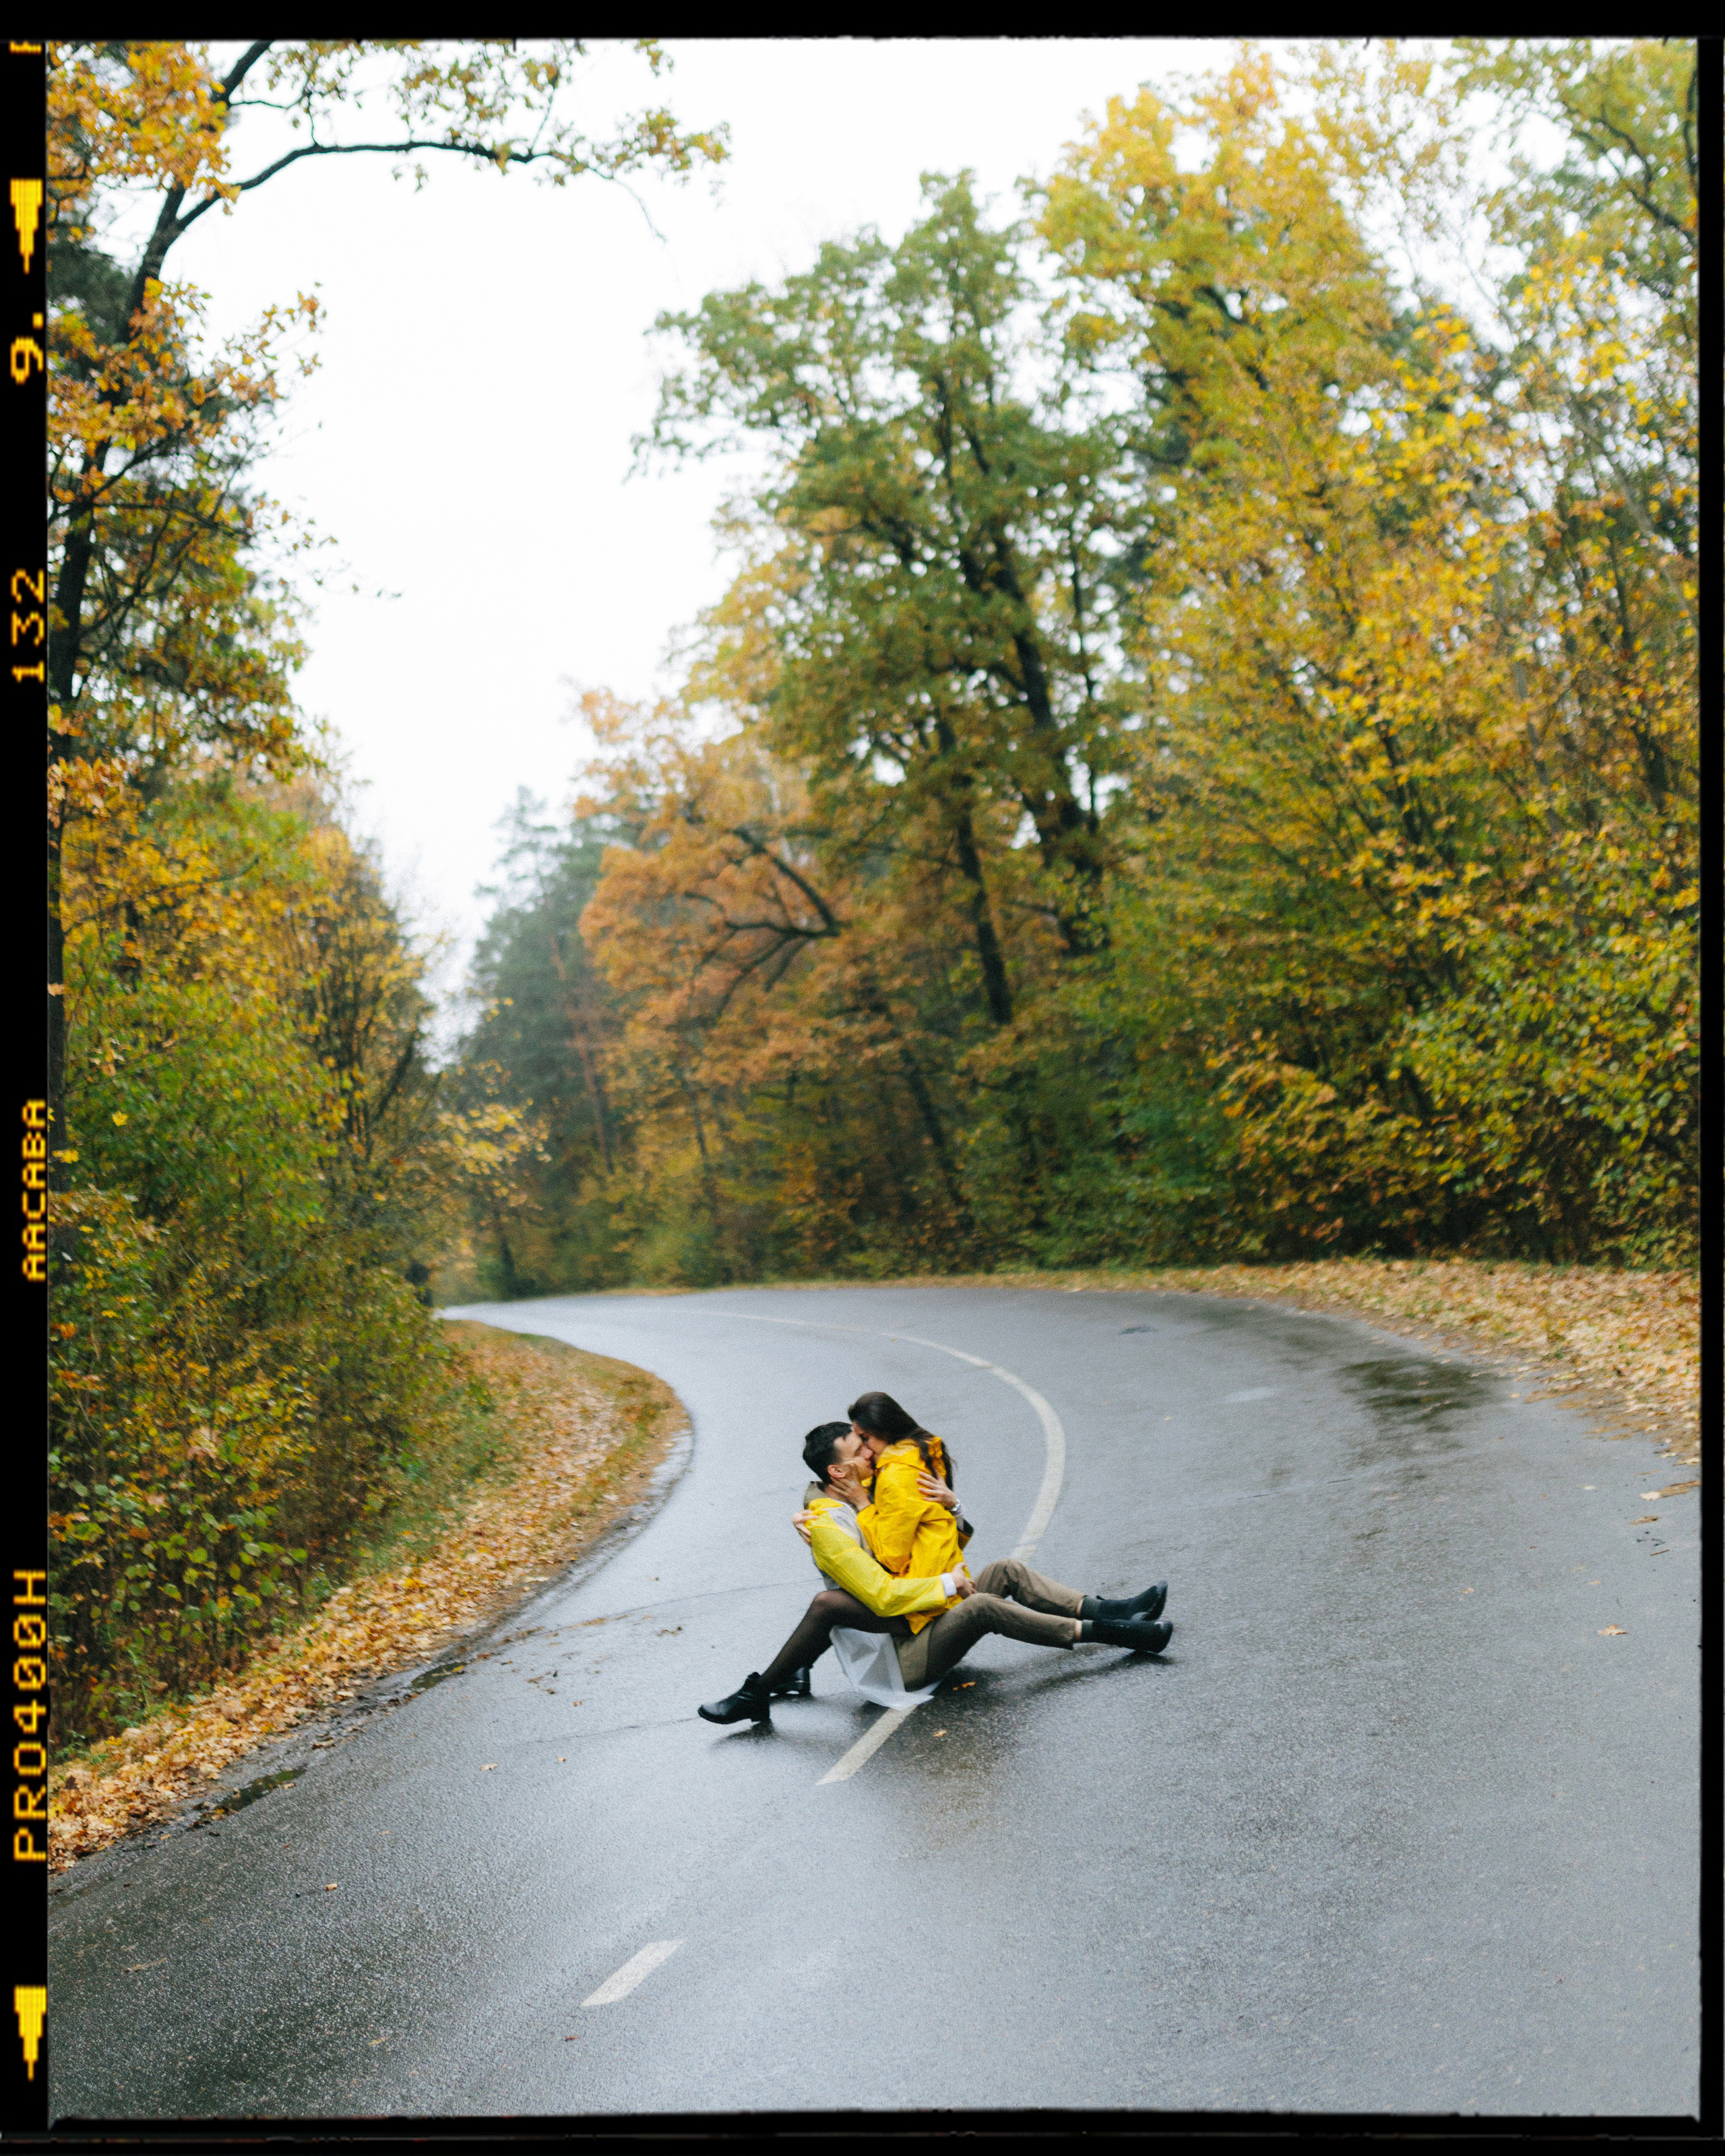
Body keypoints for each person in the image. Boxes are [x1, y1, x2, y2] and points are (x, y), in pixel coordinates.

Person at [697, 1416, 1171, 1725]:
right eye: (859, 1451)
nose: (871, 1453)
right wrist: (950, 1584)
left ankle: (1121, 1609)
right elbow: (882, 1594)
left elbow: (929, 1552)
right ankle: (1116, 1634)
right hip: (903, 1657)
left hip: (922, 1617)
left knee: (1004, 1569)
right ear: (838, 1473)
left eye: (867, 1444)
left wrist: (953, 1508)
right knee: (983, 1605)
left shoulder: (873, 1492)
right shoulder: (826, 1526)